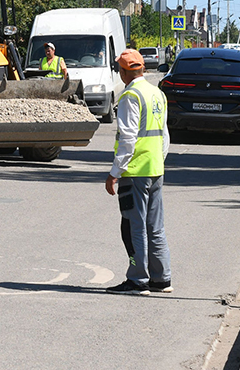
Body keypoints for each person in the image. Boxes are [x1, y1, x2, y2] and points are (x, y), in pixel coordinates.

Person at [105, 48, 171, 295]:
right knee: (155, 226)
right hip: (155, 169)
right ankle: (161, 279)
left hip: (134, 172)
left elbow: (128, 138)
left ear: (123, 72)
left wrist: (115, 172)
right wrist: (158, 160)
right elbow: (164, 135)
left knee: (134, 226)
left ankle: (138, 280)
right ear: (142, 68)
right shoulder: (157, 94)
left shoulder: (129, 96)